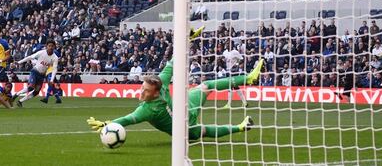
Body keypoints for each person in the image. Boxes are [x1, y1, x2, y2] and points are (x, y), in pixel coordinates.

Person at [88, 27, 260, 141]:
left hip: (185, 116)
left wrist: (107, 124)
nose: (141, 93)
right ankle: (240, 127)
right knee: (204, 124)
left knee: (206, 88)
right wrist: (187, 41)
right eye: (142, 88)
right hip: (182, 120)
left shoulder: (146, 109)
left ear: (155, 92)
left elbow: (127, 119)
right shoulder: (159, 84)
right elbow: (173, 61)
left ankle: (249, 78)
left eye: (145, 91)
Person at [11, 40, 59, 107]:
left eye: (52, 46)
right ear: (46, 46)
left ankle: (20, 101)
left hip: (42, 75)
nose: (50, 47)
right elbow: (30, 57)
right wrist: (18, 62)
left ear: (54, 47)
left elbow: (54, 69)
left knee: (36, 92)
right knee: (31, 87)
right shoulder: (41, 53)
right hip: (35, 71)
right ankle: (16, 94)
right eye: (49, 46)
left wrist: (51, 80)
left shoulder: (55, 58)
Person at [221, 42, 248, 109]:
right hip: (227, 70)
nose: (227, 45)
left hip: (234, 71)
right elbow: (223, 60)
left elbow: (242, 59)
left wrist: (237, 65)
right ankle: (245, 102)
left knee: (230, 86)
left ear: (231, 45)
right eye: (226, 44)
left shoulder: (235, 52)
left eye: (228, 44)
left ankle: (229, 104)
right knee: (235, 87)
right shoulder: (225, 52)